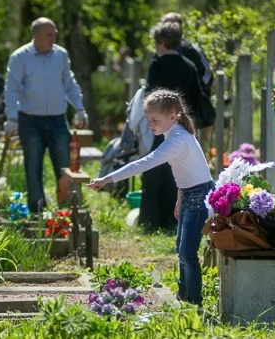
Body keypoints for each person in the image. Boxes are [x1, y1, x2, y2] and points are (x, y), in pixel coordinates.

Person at [87, 89, 213, 306]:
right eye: (147, 119)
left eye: (154, 119)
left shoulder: (178, 139)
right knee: (180, 249)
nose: (150, 124)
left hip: (199, 197)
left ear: (173, 116)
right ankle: (183, 293)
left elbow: (144, 163)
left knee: (187, 253)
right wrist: (179, 197)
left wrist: (108, 178)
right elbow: (186, 171)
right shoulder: (174, 133)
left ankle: (194, 302)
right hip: (189, 194)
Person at [3, 17, 88, 213]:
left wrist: (80, 108)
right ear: (36, 36)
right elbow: (11, 89)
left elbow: (69, 84)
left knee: (66, 166)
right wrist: (12, 118)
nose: (54, 37)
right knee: (33, 166)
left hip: (58, 120)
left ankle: (68, 210)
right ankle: (37, 211)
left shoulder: (61, 55)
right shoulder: (19, 57)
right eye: (49, 34)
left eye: (55, 33)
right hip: (29, 121)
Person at [141, 21, 206, 231]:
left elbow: (149, 94)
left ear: (161, 42)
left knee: (153, 170)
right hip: (180, 124)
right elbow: (197, 98)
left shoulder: (156, 64)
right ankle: (173, 218)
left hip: (160, 125)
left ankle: (151, 219)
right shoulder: (189, 65)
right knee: (176, 173)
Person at [160, 12, 214, 97]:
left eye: (172, 24)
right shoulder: (160, 52)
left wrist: (194, 92)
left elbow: (207, 75)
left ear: (180, 27)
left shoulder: (192, 50)